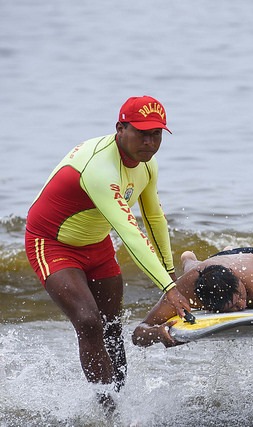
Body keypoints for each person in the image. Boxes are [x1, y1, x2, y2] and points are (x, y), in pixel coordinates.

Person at [24, 96, 191, 402]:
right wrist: (168, 287)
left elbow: (154, 218)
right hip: (51, 242)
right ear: (120, 128)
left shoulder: (147, 165)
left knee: (112, 325)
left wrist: (169, 272)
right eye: (142, 133)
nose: (150, 143)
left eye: (156, 134)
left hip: (97, 243)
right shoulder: (100, 167)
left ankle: (121, 401)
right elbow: (130, 232)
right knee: (89, 322)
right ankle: (107, 410)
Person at [132, 248, 253, 348]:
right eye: (233, 307)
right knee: (193, 269)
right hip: (212, 265)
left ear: (239, 282)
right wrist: (158, 334)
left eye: (241, 296)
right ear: (204, 304)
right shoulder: (183, 294)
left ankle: (216, 253)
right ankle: (189, 259)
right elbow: (138, 333)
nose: (242, 306)